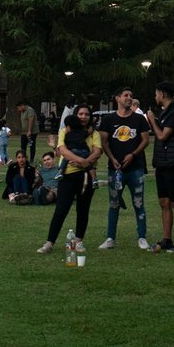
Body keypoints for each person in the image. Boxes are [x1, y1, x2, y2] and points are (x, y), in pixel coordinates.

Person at [37, 105, 102, 253]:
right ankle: (49, 242)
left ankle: (78, 241)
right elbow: (63, 150)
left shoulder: (94, 134)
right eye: (80, 114)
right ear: (75, 115)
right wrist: (81, 161)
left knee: (83, 209)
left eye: (86, 114)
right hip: (67, 175)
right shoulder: (65, 131)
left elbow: (97, 152)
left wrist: (84, 163)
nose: (83, 117)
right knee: (61, 209)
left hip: (85, 176)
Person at [96, 87, 151, 251]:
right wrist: (112, 159)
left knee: (139, 203)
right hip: (115, 169)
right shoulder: (108, 119)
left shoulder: (139, 119)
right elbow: (103, 141)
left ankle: (142, 237)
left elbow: (145, 140)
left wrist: (133, 154)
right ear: (117, 98)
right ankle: (110, 238)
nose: (129, 98)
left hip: (135, 169)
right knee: (114, 204)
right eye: (125, 95)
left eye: (131, 96)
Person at [147, 81, 174, 252]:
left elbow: (163, 136)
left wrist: (152, 120)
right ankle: (167, 239)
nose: (155, 96)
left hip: (172, 163)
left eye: (156, 93)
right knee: (164, 202)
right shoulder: (165, 113)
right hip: (162, 163)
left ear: (162, 94)